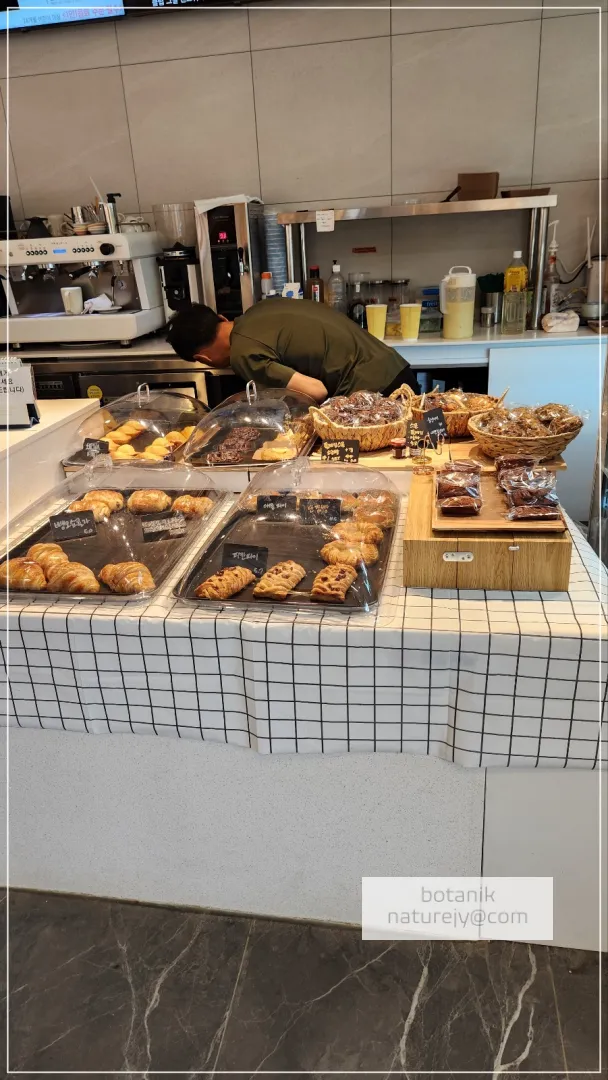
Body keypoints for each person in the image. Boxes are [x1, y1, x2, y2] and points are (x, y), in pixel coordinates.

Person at [166, 298, 418, 402]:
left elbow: (317, 391)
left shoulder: (242, 355)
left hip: (374, 394)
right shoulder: (260, 309)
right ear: (221, 318)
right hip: (396, 368)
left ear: (203, 358)